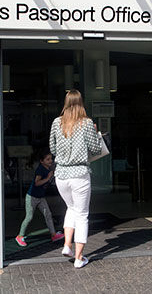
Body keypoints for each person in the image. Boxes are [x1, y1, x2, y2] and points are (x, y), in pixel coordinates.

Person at [49, 89, 101, 269]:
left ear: (66, 102)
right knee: (82, 215)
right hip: (79, 174)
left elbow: (52, 149)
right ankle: (79, 257)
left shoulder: (57, 123)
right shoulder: (86, 124)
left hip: (61, 175)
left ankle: (66, 245)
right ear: (81, 103)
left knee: (71, 208)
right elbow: (95, 149)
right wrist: (95, 133)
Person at [15, 149, 64, 247]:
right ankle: (20, 236)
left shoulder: (48, 169)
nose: (50, 161)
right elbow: (37, 183)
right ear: (42, 161)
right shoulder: (41, 169)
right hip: (32, 197)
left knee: (48, 215)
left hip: (41, 197)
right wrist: (47, 178)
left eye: (51, 159)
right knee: (29, 217)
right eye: (48, 159)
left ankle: (53, 235)